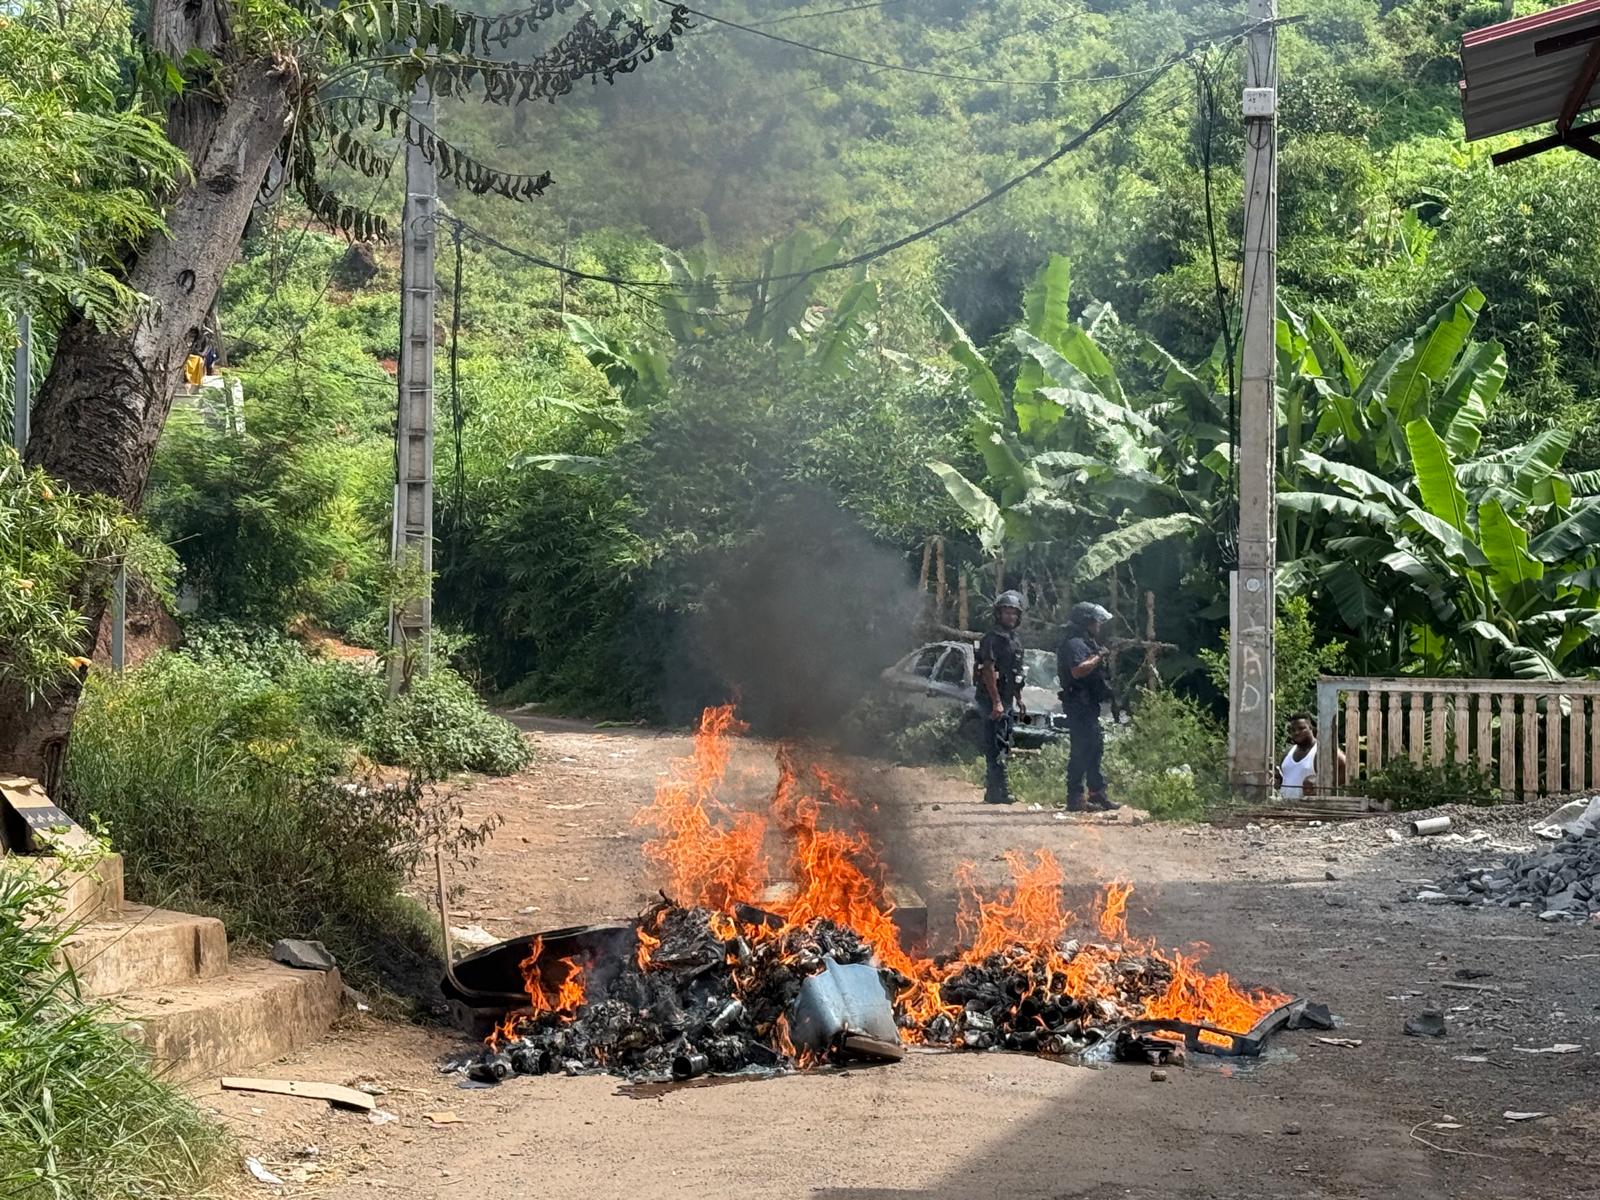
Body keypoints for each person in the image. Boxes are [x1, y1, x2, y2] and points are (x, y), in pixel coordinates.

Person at [1058, 601, 1117, 813]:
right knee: (1081, 750)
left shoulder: (1086, 642)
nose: (1098, 626)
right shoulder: (1074, 644)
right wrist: (1099, 656)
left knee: (1094, 747)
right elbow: (1078, 671)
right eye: (1095, 622)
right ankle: (1075, 797)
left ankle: (1097, 793)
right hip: (1078, 705)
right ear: (1085, 622)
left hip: (1088, 704)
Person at [974, 590, 1027, 805]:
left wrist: (1018, 698)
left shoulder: (1015, 640)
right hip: (992, 699)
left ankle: (994, 791)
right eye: (1007, 612)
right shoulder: (992, 639)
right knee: (996, 744)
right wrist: (995, 702)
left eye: (1014, 613)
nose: (1011, 617)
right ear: (998, 614)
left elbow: (1014, 673)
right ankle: (999, 791)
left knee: (1005, 743)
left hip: (1006, 698)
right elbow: (988, 670)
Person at [1278, 712, 1346, 798]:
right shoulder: (1288, 752)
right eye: (1293, 730)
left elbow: (1345, 765)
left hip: (1309, 808)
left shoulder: (1321, 750)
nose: (1296, 732)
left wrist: (1321, 784)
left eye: (1301, 728)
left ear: (1311, 728)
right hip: (1284, 807)